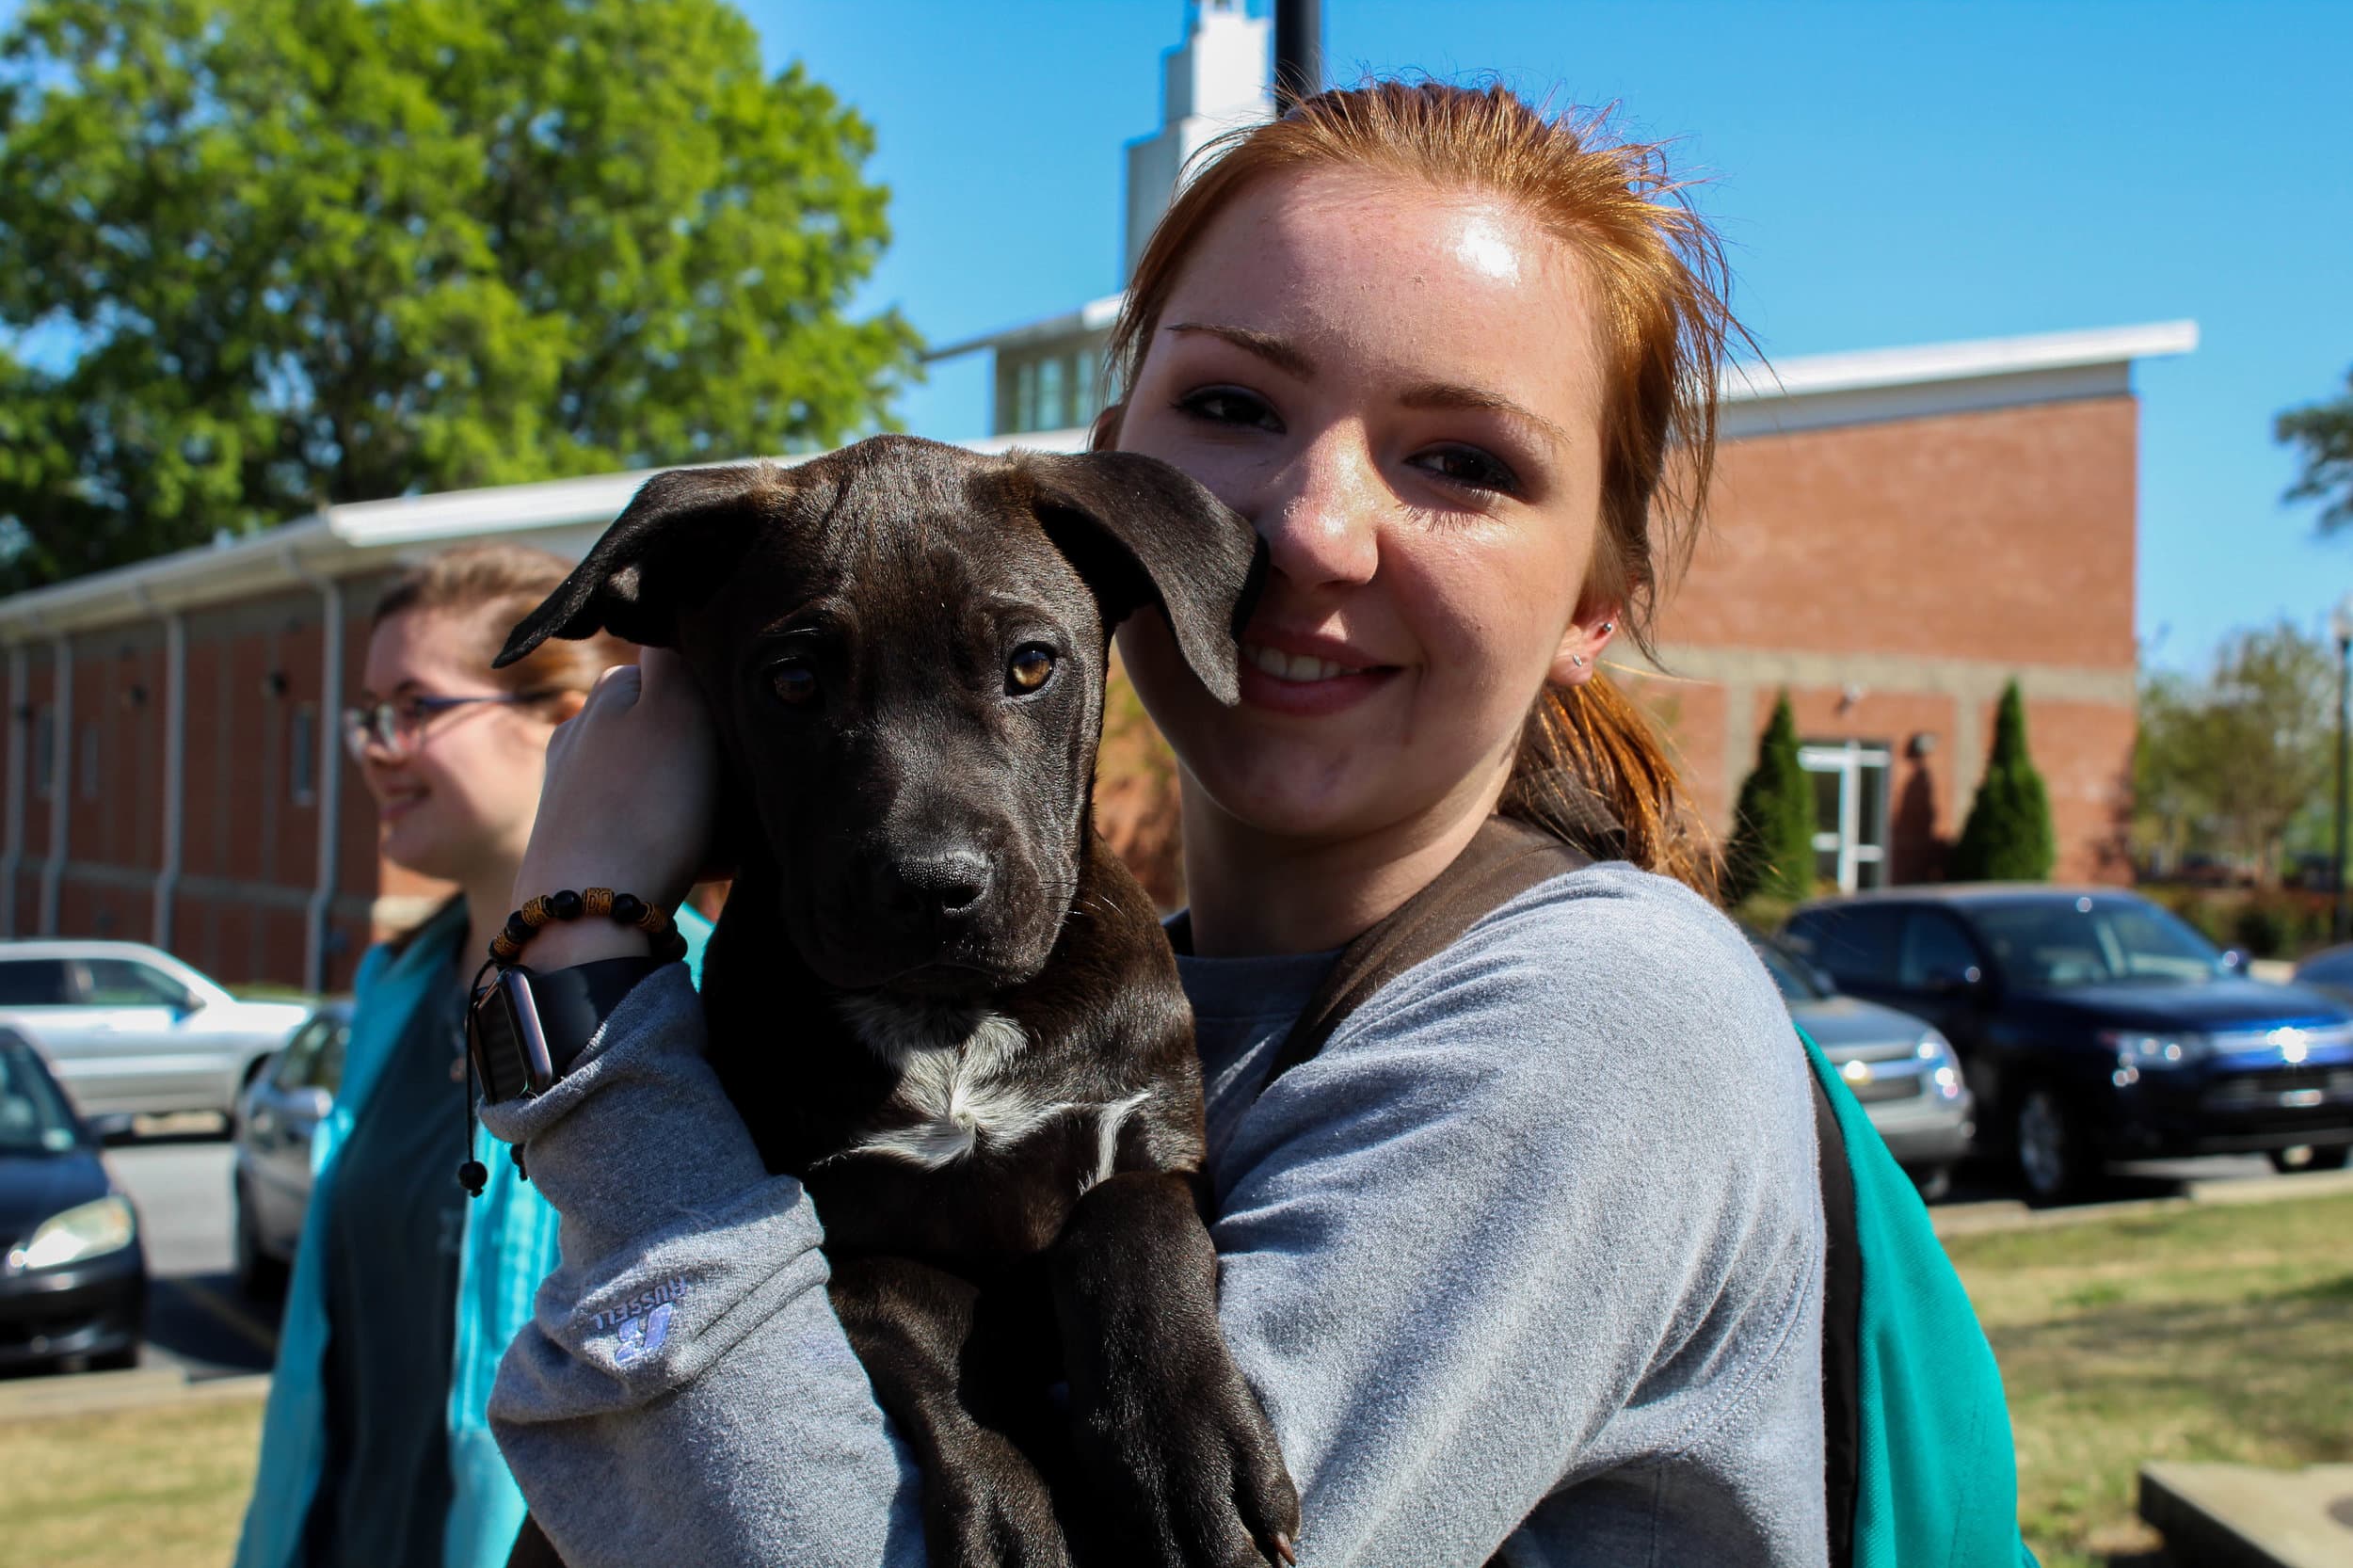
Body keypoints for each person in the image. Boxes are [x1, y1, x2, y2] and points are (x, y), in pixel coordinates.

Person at [480, 81, 1827, 1566]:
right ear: (1119, 485)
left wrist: (585, 968)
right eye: (1237, 407)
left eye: (1464, 462)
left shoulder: (1600, 1024)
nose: (1311, 528)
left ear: (1594, 598)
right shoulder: (1148, 1006)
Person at [234, 545, 712, 1568]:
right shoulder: (392, 994)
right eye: (368, 714)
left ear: (562, 713)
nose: (376, 747)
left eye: (414, 707)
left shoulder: (697, 1005)